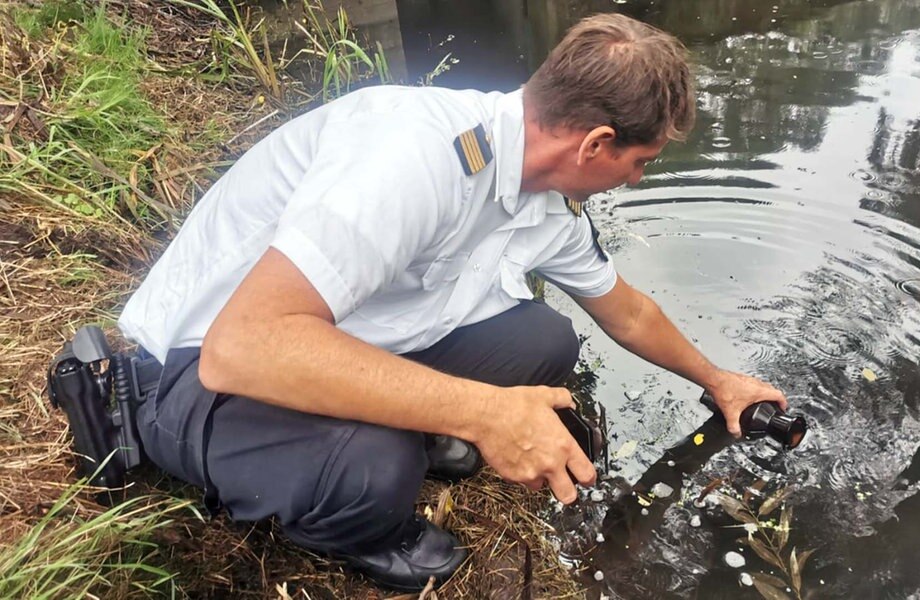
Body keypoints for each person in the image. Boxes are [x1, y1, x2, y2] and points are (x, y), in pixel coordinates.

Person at [117, 13, 787, 592]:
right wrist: (483, 413)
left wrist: (718, 381)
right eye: (639, 163)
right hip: (197, 362)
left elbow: (627, 311)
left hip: (345, 332)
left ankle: (394, 427)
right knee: (375, 470)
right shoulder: (409, 159)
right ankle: (352, 524)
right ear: (595, 144)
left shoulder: (539, 192)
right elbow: (245, 347)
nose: (634, 180)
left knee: (543, 344)